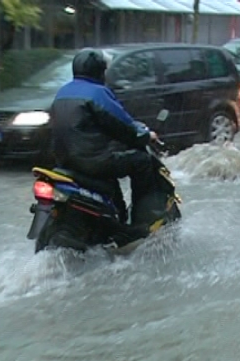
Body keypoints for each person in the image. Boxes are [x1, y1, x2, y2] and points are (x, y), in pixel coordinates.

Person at [49, 48, 160, 229]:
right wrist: (145, 136)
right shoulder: (98, 93)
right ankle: (143, 219)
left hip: (64, 162)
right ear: (100, 70)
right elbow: (124, 126)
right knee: (143, 161)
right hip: (94, 162)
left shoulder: (62, 92)